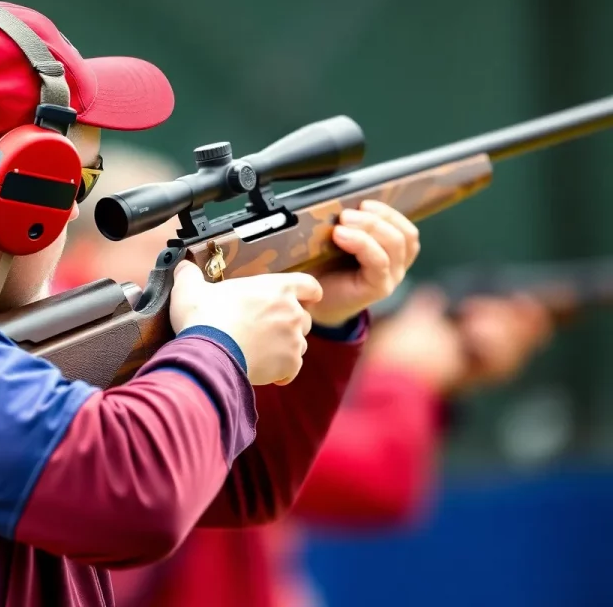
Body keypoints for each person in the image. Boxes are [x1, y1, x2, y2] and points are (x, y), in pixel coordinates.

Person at [0, 0, 422, 606]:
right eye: (81, 183)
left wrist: (322, 312)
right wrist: (217, 345)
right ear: (20, 192)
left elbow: (240, 485)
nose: (74, 213)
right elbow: (131, 496)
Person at [53, 142, 554, 607]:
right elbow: (372, 480)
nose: (194, 276)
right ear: (83, 259)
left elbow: (268, 477)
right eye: (162, 257)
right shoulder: (98, 368)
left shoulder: (132, 359)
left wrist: (334, 321)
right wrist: (406, 375)